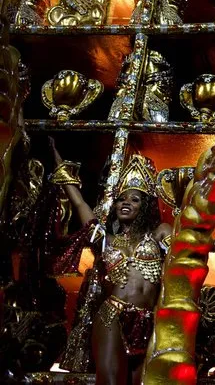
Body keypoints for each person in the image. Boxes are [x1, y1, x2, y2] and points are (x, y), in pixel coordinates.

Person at [51, 139, 171, 385]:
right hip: (111, 315)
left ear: (145, 207)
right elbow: (80, 204)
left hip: (151, 320)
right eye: (121, 199)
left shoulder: (160, 233)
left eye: (134, 199)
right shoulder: (105, 239)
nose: (125, 203)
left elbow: (181, 263)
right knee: (110, 381)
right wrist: (58, 162)